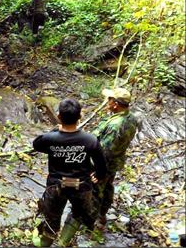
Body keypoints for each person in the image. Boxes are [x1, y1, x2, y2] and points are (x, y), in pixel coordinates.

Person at [32, 98, 107, 247]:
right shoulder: (91, 140)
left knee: (51, 217)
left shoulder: (50, 138)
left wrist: (55, 131)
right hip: (82, 186)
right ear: (80, 118)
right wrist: (97, 175)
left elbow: (36, 145)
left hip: (56, 186)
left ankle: (45, 243)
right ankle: (63, 242)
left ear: (59, 116)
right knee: (77, 214)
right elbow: (102, 167)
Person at [92, 88, 139, 229]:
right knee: (107, 187)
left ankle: (92, 222)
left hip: (105, 163)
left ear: (116, 104)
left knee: (96, 190)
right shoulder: (130, 117)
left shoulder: (115, 126)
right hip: (115, 161)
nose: (107, 101)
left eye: (110, 99)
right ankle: (102, 216)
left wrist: (97, 170)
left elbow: (104, 152)